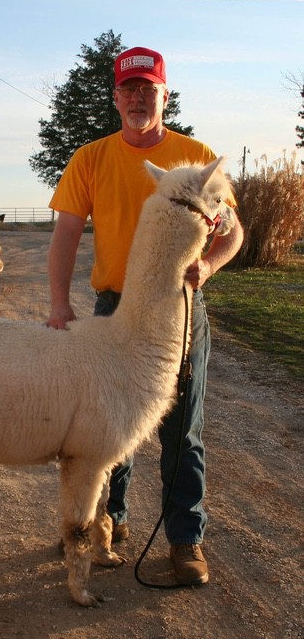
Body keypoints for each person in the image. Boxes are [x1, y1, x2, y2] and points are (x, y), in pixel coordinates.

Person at [45, 47, 243, 586]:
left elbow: (232, 232)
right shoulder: (92, 157)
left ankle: (185, 539)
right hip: (115, 305)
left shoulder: (197, 157)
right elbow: (66, 233)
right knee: (110, 424)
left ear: (164, 94)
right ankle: (109, 518)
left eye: (147, 88)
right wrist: (59, 302)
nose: (138, 98)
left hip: (180, 311)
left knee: (183, 429)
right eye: (128, 89)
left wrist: (208, 262)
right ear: (115, 97)